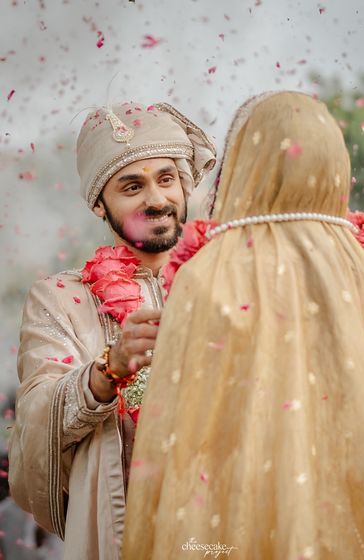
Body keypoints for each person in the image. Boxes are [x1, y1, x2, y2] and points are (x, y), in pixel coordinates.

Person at [122, 92, 364, 559]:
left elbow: (177, 447)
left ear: (245, 165)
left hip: (237, 518)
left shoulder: (208, 274)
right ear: (332, 161)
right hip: (361, 517)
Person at [8, 101, 216, 560]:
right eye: (132, 186)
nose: (157, 199)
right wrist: (109, 369)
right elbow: (36, 424)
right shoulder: (61, 298)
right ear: (100, 202)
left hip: (226, 523)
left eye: (166, 179)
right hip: (125, 536)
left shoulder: (228, 282)